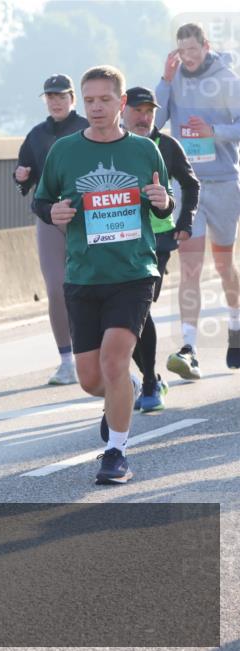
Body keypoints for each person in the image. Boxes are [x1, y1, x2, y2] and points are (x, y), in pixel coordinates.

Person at [34, 65, 174, 485]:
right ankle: (124, 389)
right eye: (89, 100)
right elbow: (42, 201)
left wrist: (163, 200)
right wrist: (53, 211)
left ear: (121, 103)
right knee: (91, 379)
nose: (96, 107)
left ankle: (116, 453)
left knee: (114, 359)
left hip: (133, 273)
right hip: (83, 275)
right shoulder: (64, 151)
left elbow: (164, 203)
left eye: (105, 100)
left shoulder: (144, 151)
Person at [155, 22, 240, 376]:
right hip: (187, 186)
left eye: (193, 49)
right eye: (182, 51)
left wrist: (213, 131)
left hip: (223, 183)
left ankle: (235, 327)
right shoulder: (173, 79)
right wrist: (164, 80)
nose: (187, 57)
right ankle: (188, 347)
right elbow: (155, 120)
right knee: (190, 267)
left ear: (206, 45)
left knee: (223, 266)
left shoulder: (226, 79)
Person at [123, 86, 199, 412]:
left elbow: (191, 184)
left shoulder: (166, 145)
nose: (144, 118)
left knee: (138, 310)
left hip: (157, 240)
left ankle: (150, 384)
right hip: (118, 238)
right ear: (123, 111)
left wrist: (185, 221)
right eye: (137, 111)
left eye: (149, 112)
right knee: (124, 315)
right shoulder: (112, 146)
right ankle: (150, 378)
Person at [14, 74, 90, 385]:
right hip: (49, 217)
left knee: (92, 286)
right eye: (50, 97)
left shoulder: (87, 127)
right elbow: (24, 174)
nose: (56, 102)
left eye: (61, 96)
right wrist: (20, 176)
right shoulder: (36, 135)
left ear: (73, 98)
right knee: (57, 289)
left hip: (88, 217)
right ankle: (67, 361)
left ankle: (94, 352)